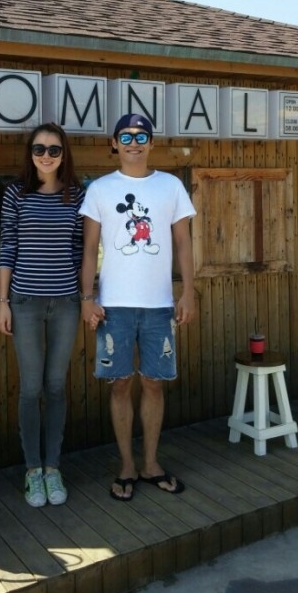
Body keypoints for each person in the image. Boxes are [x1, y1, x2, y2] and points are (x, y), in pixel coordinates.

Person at [80, 113, 195, 501]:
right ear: (114, 143)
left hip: (159, 305)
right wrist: (86, 298)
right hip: (113, 307)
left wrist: (189, 291)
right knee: (120, 385)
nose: (134, 143)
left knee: (154, 384)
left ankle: (151, 464)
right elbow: (88, 250)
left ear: (151, 143)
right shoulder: (99, 189)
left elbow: (183, 243)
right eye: (126, 137)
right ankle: (127, 466)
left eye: (141, 136)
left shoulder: (171, 186)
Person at [0, 122, 84, 508]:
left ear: (63, 155)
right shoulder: (15, 194)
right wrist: (3, 301)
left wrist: (87, 297)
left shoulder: (77, 195)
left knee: (56, 386)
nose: (46, 156)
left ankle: (53, 467)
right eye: (39, 149)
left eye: (53, 150)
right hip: (26, 303)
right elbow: (8, 247)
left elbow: (81, 250)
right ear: (30, 153)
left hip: (66, 303)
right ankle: (33, 470)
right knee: (31, 388)